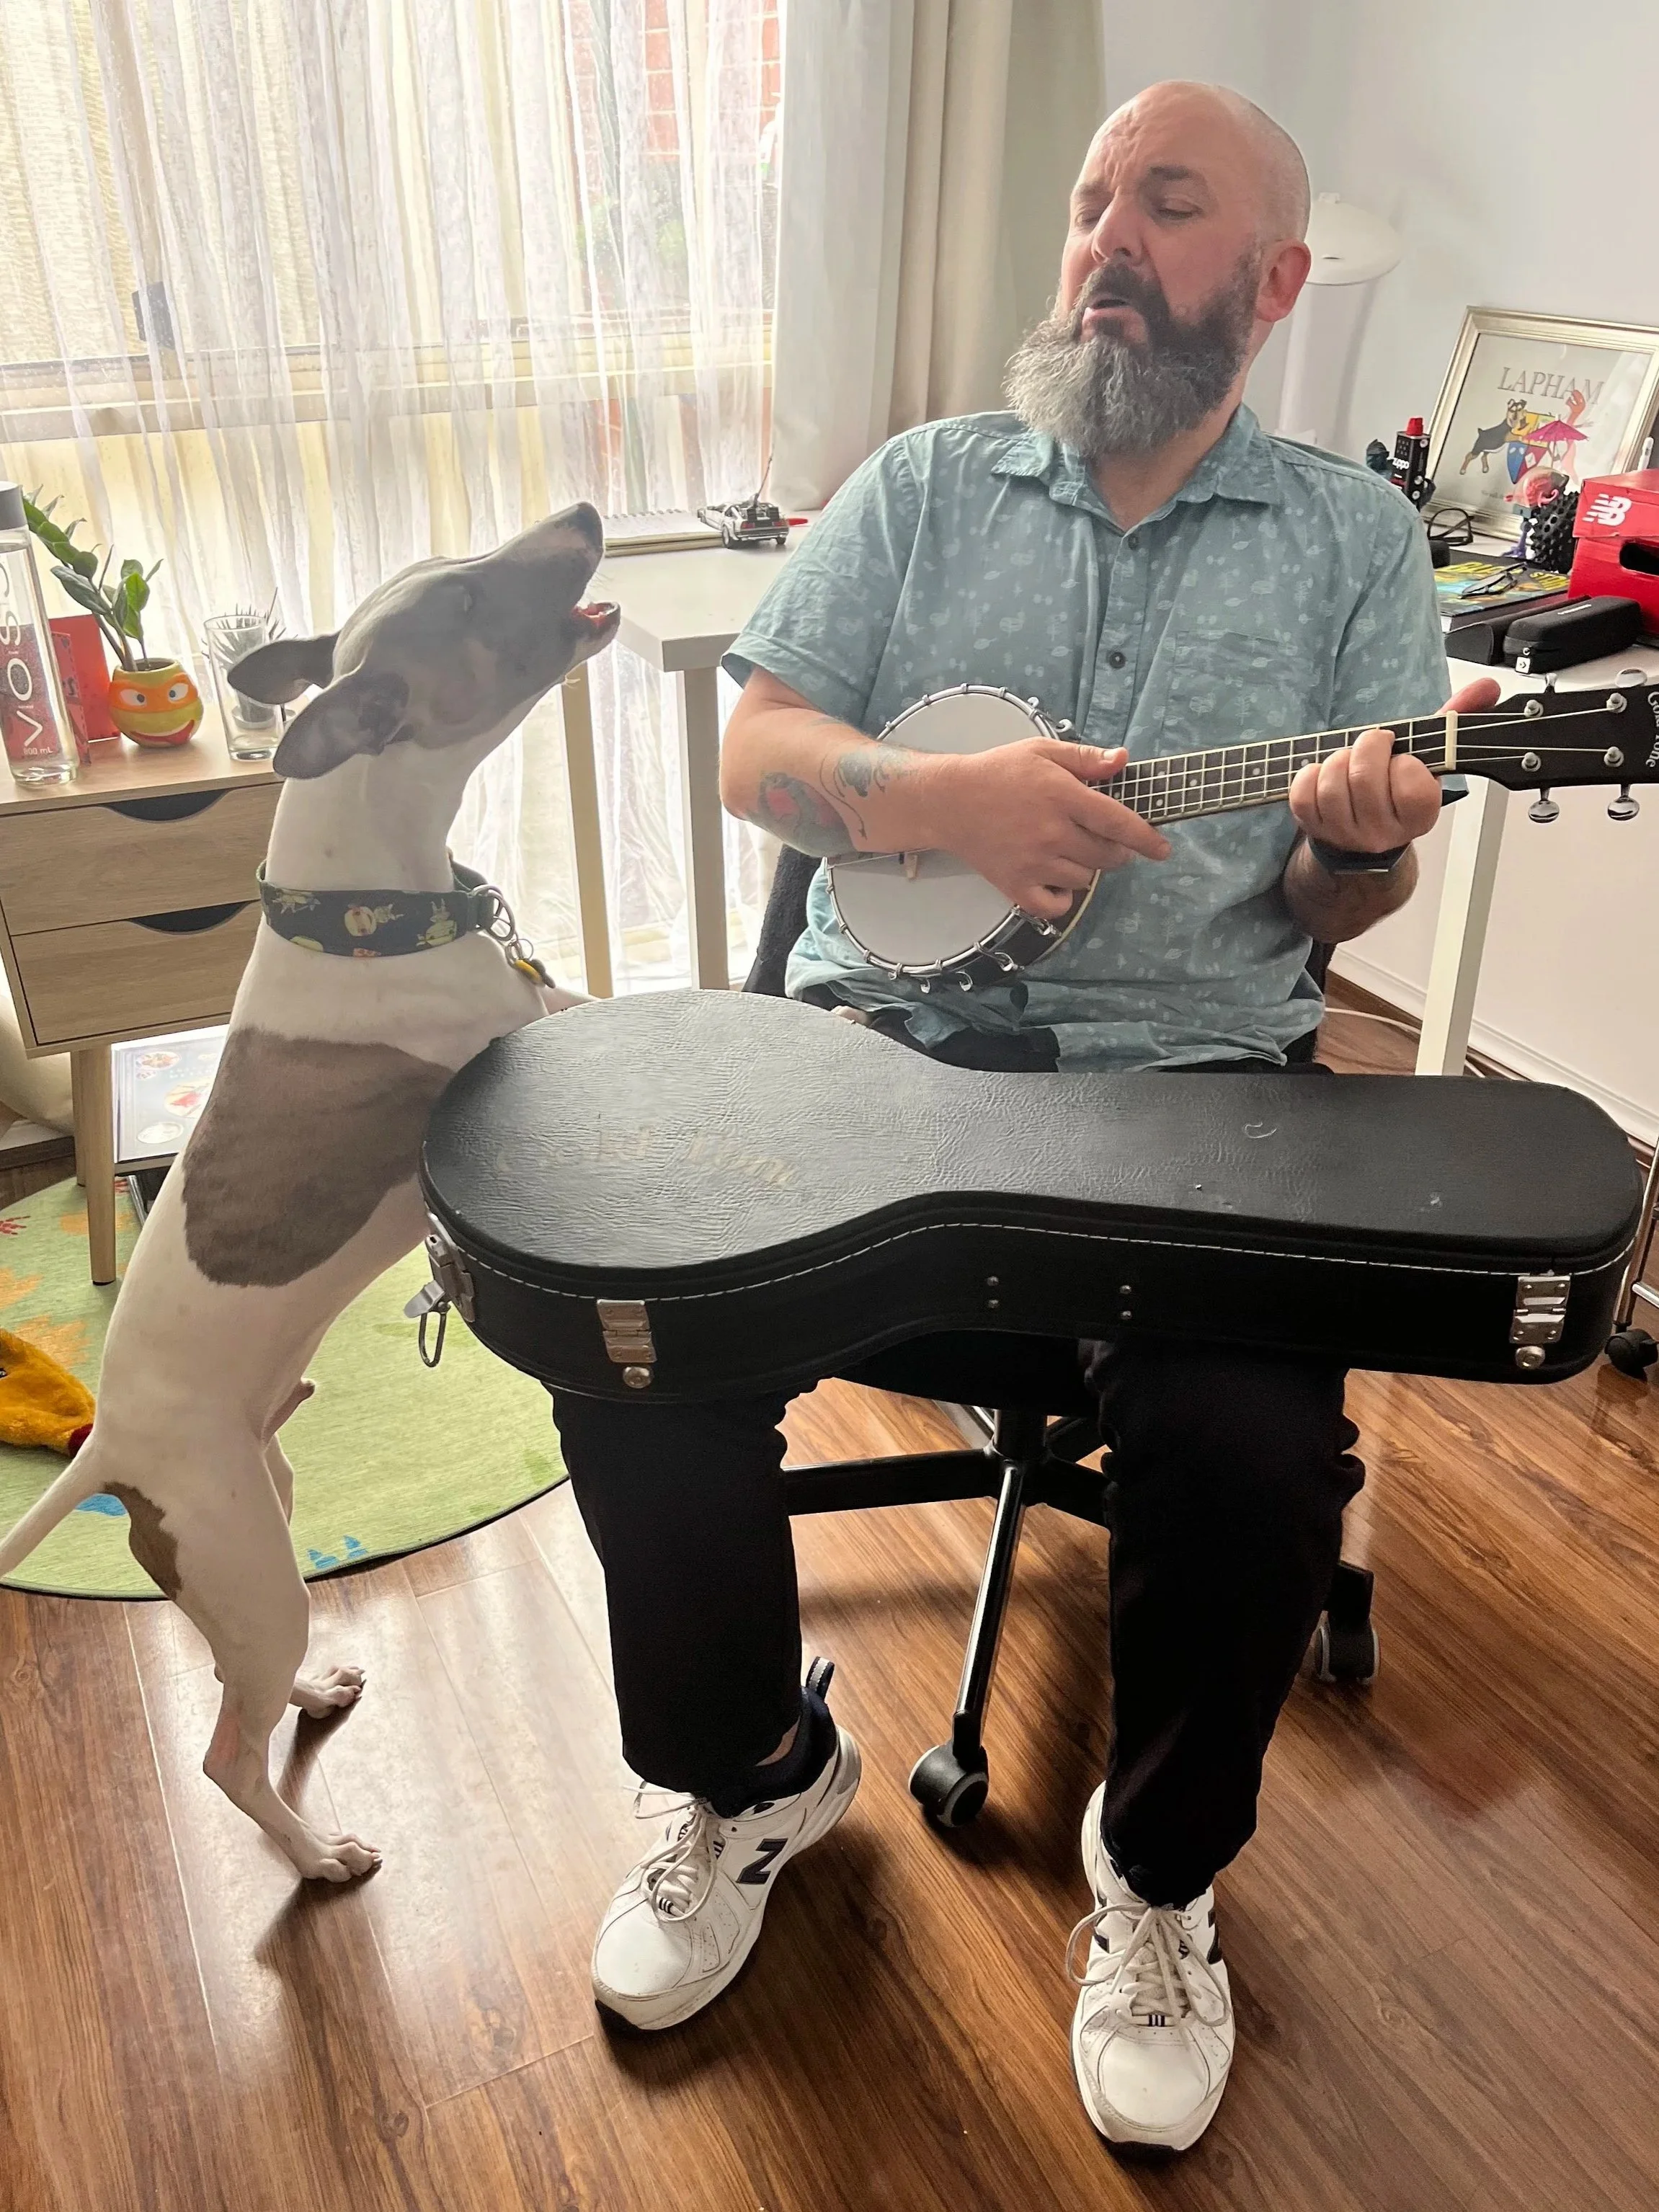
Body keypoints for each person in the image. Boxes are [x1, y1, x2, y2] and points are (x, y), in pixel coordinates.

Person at [551, 79, 1498, 2154]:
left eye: (1160, 207)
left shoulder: (1352, 544)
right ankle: (746, 1769)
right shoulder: (916, 488)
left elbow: (1349, 893)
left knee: (1250, 1441)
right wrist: (931, 800)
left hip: (1192, 1107)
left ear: (1264, 285)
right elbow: (759, 753)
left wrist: (1360, 846)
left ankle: (1155, 1880)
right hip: (866, 1065)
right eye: (1086, 201)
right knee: (628, 1341)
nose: (1099, 239)